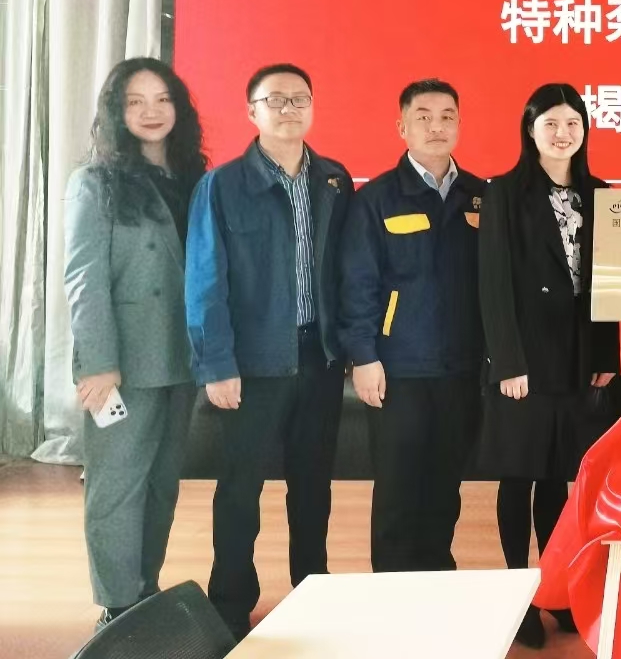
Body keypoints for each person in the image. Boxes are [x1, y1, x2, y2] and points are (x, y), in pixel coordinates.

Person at [185, 64, 354, 640]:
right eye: (275, 99)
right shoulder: (223, 185)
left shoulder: (333, 180)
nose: (289, 109)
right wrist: (216, 363)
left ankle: (312, 589)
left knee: (313, 486)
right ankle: (231, 602)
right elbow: (205, 280)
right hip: (252, 363)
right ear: (251, 111)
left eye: (299, 98)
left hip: (319, 358)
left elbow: (346, 270)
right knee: (241, 488)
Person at [65, 58, 208, 630]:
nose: (151, 112)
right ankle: (117, 605)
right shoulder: (95, 182)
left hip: (182, 357)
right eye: (135, 101)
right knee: (116, 487)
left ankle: (144, 589)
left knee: (161, 484)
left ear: (179, 109)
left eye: (162, 99)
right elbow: (84, 279)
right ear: (116, 112)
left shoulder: (194, 179)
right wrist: (98, 363)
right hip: (122, 363)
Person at [478, 83, 618, 649]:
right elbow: (493, 284)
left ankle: (555, 588)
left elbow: (609, 284)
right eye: (551, 124)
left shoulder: (601, 194)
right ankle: (519, 593)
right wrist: (508, 361)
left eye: (573, 123)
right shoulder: (504, 193)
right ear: (530, 130)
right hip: (525, 360)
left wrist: (606, 354)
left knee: (561, 478)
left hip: (578, 358)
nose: (563, 134)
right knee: (520, 475)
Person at [339, 79, 487, 573]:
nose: (436, 126)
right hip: (397, 368)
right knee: (398, 487)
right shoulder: (377, 198)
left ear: (459, 125)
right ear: (402, 127)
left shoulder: (481, 197)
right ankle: (394, 589)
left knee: (446, 485)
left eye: (447, 116)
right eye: (423, 116)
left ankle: (436, 577)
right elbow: (358, 283)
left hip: (461, 368)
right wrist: (364, 356)